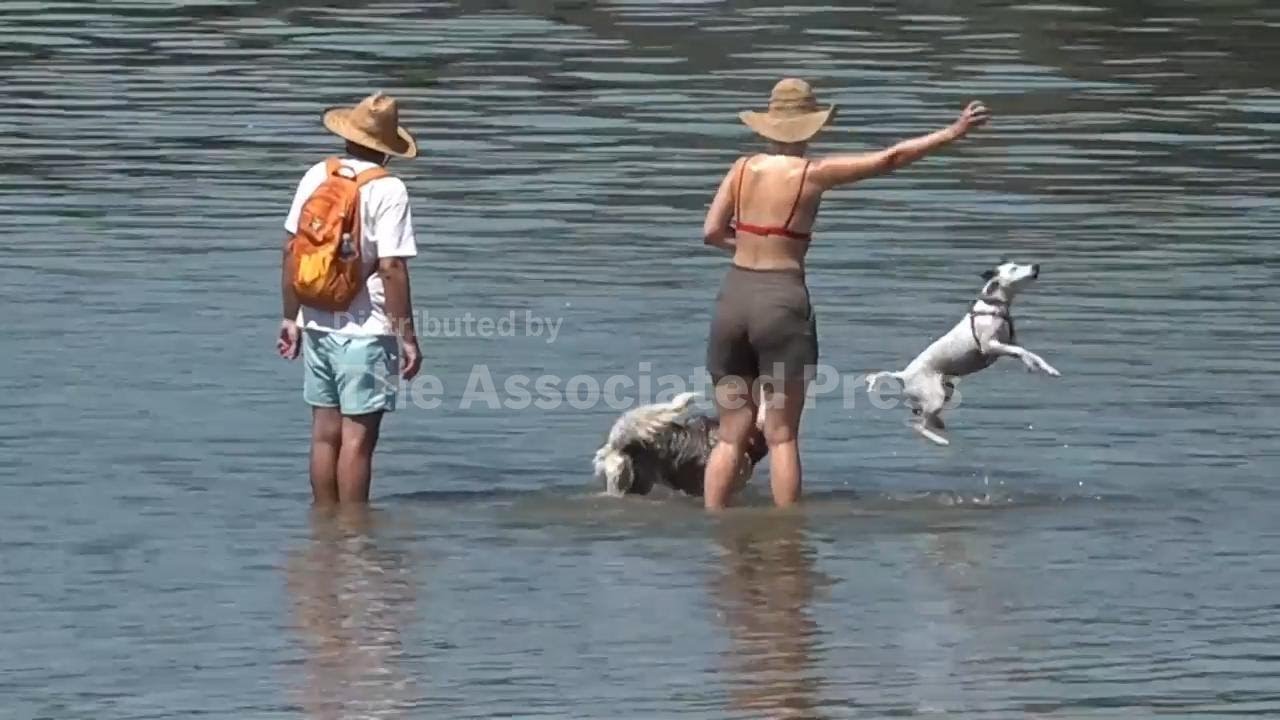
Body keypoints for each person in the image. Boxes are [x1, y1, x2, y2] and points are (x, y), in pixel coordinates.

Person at [700, 78, 990, 510]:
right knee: (781, 436)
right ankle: (786, 540)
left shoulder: (741, 168)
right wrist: (952, 132)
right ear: (812, 128)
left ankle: (714, 532)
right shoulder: (814, 174)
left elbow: (710, 232)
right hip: (781, 303)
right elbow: (890, 158)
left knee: (729, 435)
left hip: (732, 301)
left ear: (767, 125)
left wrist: (747, 245)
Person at [276, 91, 424, 505]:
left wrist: (291, 318)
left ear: (347, 136)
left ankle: (323, 531)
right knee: (358, 441)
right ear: (387, 149)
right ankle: (353, 537)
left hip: (317, 320)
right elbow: (392, 269)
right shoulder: (389, 189)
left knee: (325, 435)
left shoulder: (317, 176)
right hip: (367, 332)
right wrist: (407, 336)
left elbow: (291, 250)